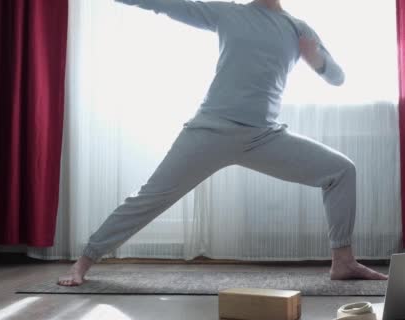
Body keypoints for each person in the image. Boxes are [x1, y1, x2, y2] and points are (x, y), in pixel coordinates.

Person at [58, 0, 388, 286]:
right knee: (149, 198)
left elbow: (337, 77)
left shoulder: (298, 29)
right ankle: (84, 262)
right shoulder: (227, 13)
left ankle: (342, 261)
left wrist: (316, 59)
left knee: (341, 171)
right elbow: (168, 5)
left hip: (264, 136)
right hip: (210, 132)